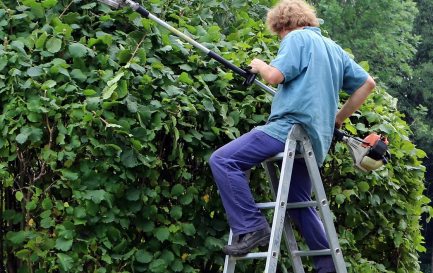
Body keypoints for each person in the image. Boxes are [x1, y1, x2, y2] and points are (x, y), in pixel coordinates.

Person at [208, 0, 376, 272]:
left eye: (279, 33)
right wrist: (337, 119)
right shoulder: (334, 49)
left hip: (287, 130)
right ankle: (328, 266)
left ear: (283, 25)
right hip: (314, 139)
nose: (280, 38)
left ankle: (251, 227)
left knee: (223, 160)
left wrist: (259, 66)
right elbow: (368, 84)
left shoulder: (296, 38)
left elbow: (275, 76)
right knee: (299, 203)